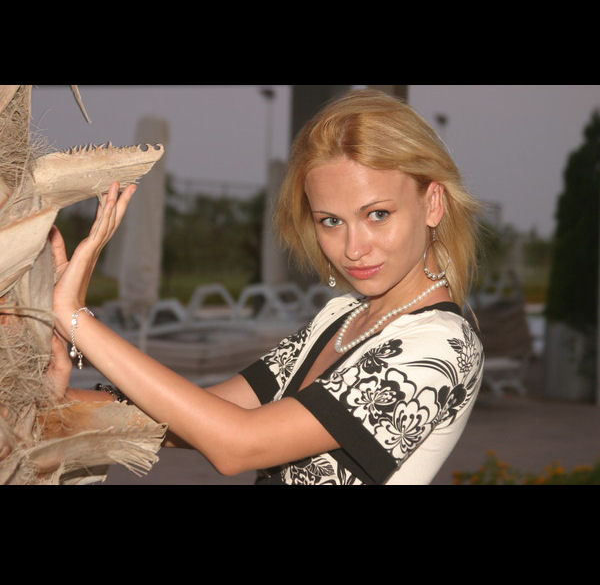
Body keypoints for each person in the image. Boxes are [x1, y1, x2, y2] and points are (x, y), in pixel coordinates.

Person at [49, 88, 484, 485]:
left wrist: (76, 318)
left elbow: (239, 444)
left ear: (433, 204)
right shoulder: (341, 317)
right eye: (331, 221)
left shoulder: (441, 344)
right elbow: (201, 415)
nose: (354, 248)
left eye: (378, 215)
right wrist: (57, 402)